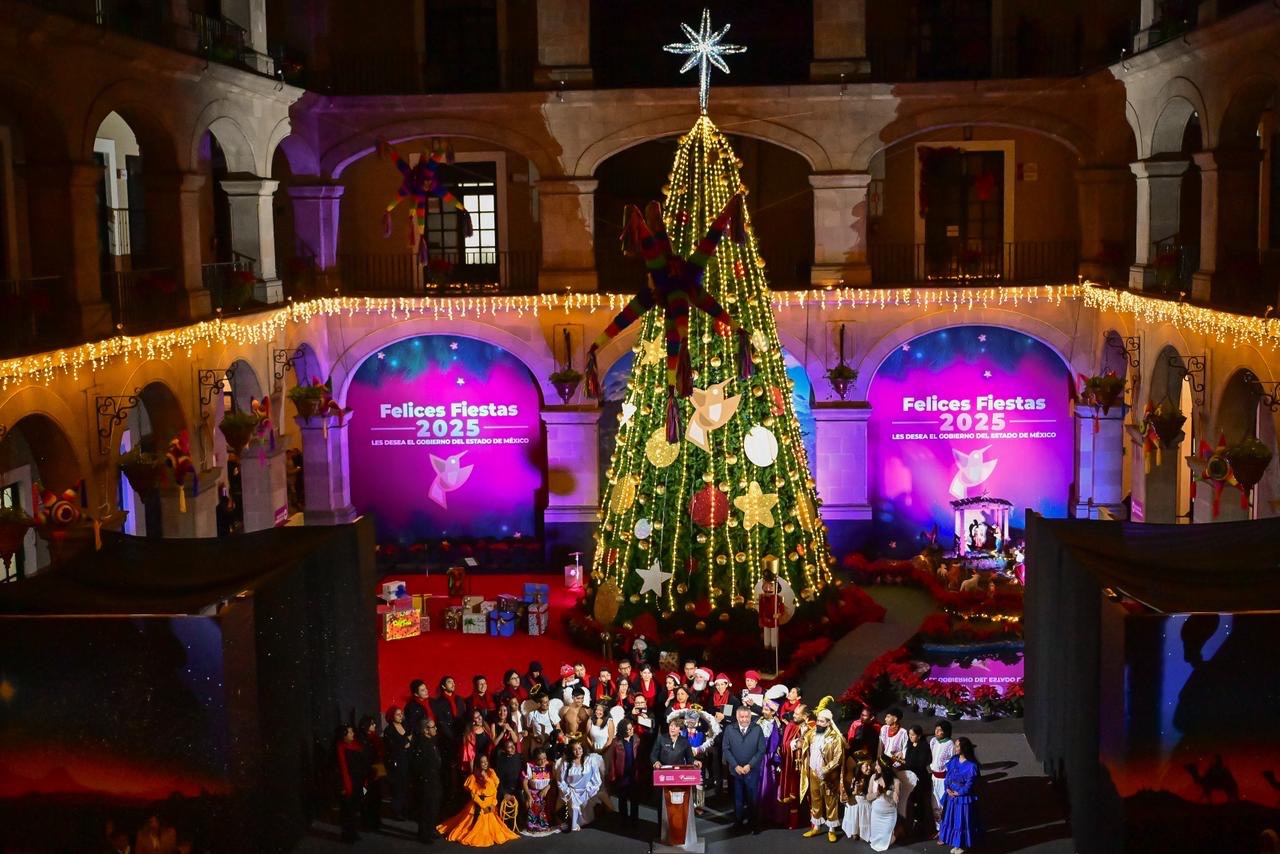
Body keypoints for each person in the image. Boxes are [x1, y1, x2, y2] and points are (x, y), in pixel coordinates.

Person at [437, 754, 519, 846]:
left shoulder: (491, 772)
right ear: (478, 764)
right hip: (479, 806)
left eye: (486, 761)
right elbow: (474, 796)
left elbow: (494, 790)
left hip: (490, 805)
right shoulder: (473, 777)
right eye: (482, 762)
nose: (485, 763)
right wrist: (484, 807)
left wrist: (493, 804)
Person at [799, 704, 845, 842]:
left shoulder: (835, 738)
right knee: (815, 800)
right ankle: (816, 827)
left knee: (830, 801)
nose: (818, 723)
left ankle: (831, 830)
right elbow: (803, 743)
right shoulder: (813, 733)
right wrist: (802, 735)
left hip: (828, 775)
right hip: (813, 772)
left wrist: (825, 770)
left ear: (828, 723)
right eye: (818, 720)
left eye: (821, 721)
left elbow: (838, 758)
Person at [722, 704, 765, 833]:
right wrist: (735, 766)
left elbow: (761, 750)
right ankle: (738, 823)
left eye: (747, 717)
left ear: (750, 717)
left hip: (752, 771)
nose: (745, 719)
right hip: (735, 771)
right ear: (737, 717)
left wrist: (749, 765)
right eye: (742, 717)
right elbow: (726, 749)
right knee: (737, 799)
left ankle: (754, 824)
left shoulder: (757, 729)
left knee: (753, 799)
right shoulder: (729, 729)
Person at [938, 737, 983, 854]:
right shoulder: (954, 760)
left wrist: (959, 793)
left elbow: (970, 784)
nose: (955, 747)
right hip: (951, 795)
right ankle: (956, 843)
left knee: (961, 821)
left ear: (964, 748)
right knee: (953, 820)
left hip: (962, 797)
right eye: (955, 745)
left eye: (957, 746)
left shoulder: (971, 766)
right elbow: (948, 776)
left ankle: (962, 845)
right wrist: (947, 788)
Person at [557, 740, 608, 831]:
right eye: (575, 750)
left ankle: (586, 821)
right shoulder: (566, 764)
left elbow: (596, 778)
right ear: (571, 751)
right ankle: (574, 824)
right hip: (572, 792)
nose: (578, 751)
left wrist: (590, 789)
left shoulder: (590, 761)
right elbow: (561, 781)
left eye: (579, 748)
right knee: (574, 807)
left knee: (586, 809)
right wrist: (568, 792)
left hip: (586, 790)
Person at [410, 718, 443, 843]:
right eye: (432, 727)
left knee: (434, 805)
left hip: (434, 778)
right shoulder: (421, 744)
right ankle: (424, 834)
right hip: (426, 780)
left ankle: (430, 829)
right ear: (425, 730)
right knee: (426, 807)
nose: (435, 729)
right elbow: (418, 764)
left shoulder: (432, 741)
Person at [336, 724, 371, 843]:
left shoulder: (356, 746)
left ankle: (353, 832)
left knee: (354, 810)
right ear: (344, 735)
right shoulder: (339, 748)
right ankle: (347, 835)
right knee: (347, 811)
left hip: (358, 782)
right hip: (347, 784)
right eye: (350, 732)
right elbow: (340, 769)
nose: (353, 734)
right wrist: (343, 786)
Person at [779, 704, 811, 829]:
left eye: (797, 714)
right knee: (794, 794)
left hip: (809, 767)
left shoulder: (813, 726)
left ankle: (814, 823)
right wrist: (795, 743)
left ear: (805, 716)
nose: (794, 716)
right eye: (794, 713)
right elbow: (785, 745)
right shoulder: (791, 726)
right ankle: (794, 821)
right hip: (794, 767)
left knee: (811, 794)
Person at [878, 707, 913, 817]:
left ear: (895, 719)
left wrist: (900, 755)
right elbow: (880, 746)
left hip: (894, 765)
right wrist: (878, 760)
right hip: (883, 762)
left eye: (888, 717)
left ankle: (894, 812)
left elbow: (904, 750)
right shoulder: (884, 729)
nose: (885, 719)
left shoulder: (903, 732)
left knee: (893, 788)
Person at [608, 718, 643, 824]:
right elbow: (612, 759)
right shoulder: (616, 742)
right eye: (628, 729)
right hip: (622, 775)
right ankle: (623, 821)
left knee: (634, 800)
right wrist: (613, 774)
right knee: (622, 800)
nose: (631, 730)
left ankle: (634, 821)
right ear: (623, 730)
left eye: (632, 728)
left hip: (633, 774)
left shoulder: (636, 739)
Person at [382, 706, 413, 821]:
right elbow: (392, 747)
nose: (401, 716)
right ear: (392, 716)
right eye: (397, 714)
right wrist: (406, 742)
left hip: (407, 759)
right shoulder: (389, 730)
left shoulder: (405, 726)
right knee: (398, 787)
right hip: (397, 761)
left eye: (401, 714)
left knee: (406, 786)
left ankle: (405, 810)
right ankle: (397, 811)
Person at [356, 715, 386, 830]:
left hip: (376, 770)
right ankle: (367, 822)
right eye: (372, 723)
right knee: (366, 798)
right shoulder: (361, 738)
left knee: (376, 797)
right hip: (366, 772)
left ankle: (375, 820)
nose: (374, 725)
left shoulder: (375, 738)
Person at [904, 724, 933, 835]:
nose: (910, 736)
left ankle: (920, 824)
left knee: (920, 801)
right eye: (909, 734)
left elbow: (921, 763)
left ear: (919, 736)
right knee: (911, 800)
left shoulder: (924, 747)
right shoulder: (910, 745)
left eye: (913, 735)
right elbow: (908, 759)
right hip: (910, 777)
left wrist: (908, 764)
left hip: (920, 778)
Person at [522, 748, 558, 836]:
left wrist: (546, 788)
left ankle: (548, 823)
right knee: (535, 801)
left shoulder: (550, 765)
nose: (542, 761)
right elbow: (525, 782)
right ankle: (535, 826)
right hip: (533, 792)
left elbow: (554, 780)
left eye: (544, 758)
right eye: (539, 759)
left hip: (548, 791)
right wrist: (529, 796)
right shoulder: (530, 766)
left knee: (548, 801)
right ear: (535, 759)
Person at [929, 720, 958, 830]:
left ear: (946, 732)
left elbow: (953, 763)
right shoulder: (933, 741)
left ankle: (945, 828)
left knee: (943, 803)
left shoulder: (950, 744)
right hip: (934, 777)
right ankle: (938, 827)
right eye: (936, 729)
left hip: (944, 779)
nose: (937, 732)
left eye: (940, 730)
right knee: (935, 803)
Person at [866, 763, 900, 851]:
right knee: (874, 842)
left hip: (889, 815)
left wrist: (892, 794)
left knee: (886, 843)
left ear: (884, 767)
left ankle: (898, 832)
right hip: (876, 815)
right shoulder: (873, 777)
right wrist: (876, 794)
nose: (875, 767)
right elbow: (868, 797)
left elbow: (895, 802)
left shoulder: (895, 781)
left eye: (878, 765)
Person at [841, 758, 874, 842]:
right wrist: (855, 791)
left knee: (863, 804)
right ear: (860, 767)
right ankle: (854, 830)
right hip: (855, 799)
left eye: (870, 766)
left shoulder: (872, 778)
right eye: (866, 766)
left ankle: (863, 832)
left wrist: (863, 791)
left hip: (866, 800)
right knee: (855, 805)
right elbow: (848, 793)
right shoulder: (853, 778)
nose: (869, 768)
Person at [460, 708, 494, 774]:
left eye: (479, 716)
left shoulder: (485, 727)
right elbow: (471, 755)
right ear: (472, 721)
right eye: (476, 718)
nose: (479, 718)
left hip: (487, 761)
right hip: (478, 764)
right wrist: (472, 772)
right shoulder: (470, 734)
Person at [493, 737, 525, 807]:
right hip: (505, 791)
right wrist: (504, 793)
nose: (513, 748)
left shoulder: (519, 757)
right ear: (504, 750)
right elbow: (498, 780)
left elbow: (523, 775)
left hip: (518, 789)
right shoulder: (500, 762)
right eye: (509, 747)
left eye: (513, 745)